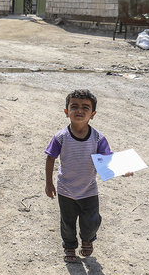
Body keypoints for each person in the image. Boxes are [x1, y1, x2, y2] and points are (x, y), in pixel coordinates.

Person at [44, 90, 132, 263]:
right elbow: (50, 157)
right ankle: (69, 246)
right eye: (74, 106)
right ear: (66, 111)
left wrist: (122, 168)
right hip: (65, 189)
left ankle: (87, 239)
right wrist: (49, 183)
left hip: (89, 189)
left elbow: (108, 157)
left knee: (91, 222)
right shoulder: (60, 137)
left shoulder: (98, 138)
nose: (79, 110)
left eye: (85, 107)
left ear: (93, 114)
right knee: (67, 223)